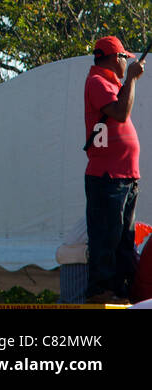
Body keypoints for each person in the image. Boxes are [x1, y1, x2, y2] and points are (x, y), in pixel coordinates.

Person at [83, 35, 142, 303]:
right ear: (112, 57)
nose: (127, 61)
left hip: (125, 176)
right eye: (124, 57)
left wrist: (127, 80)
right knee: (107, 235)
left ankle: (118, 290)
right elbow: (120, 113)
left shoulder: (110, 83)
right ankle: (100, 290)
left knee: (123, 238)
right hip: (108, 176)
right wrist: (131, 79)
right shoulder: (97, 81)